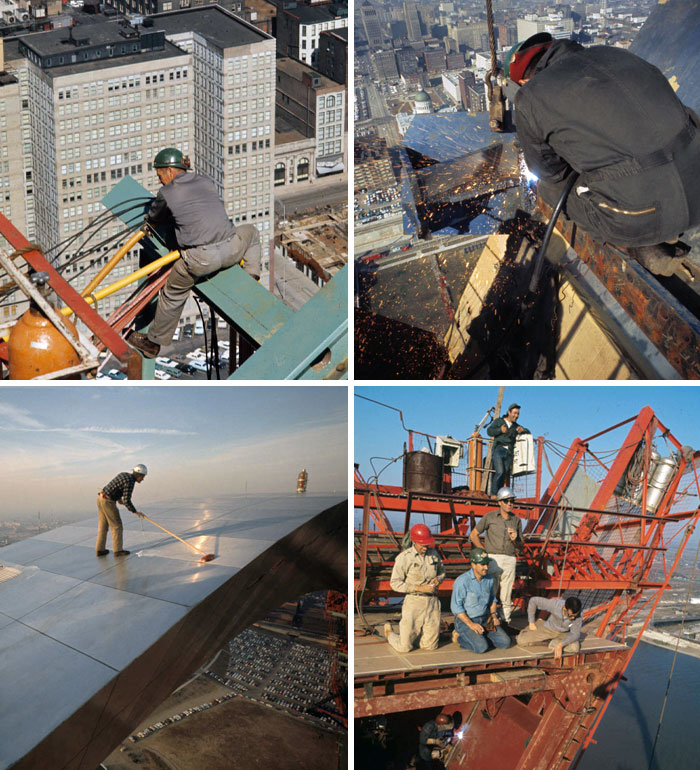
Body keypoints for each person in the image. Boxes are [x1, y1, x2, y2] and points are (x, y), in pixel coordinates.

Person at [506, 33, 700, 270]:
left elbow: (549, 172)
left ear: (524, 81)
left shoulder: (531, 96)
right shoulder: (614, 53)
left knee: (548, 187)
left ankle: (641, 245)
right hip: (696, 184)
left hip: (643, 213)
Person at [128, 148, 262, 358]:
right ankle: (252, 276)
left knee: (173, 293)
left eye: (160, 174)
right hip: (231, 249)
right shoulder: (205, 181)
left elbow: (155, 216)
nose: (160, 180)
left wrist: (151, 222)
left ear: (170, 171)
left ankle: (153, 343)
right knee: (252, 233)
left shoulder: (167, 193)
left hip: (201, 260)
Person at [384, 523, 445, 653]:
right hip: (414, 602)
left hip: (432, 603)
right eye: (422, 544)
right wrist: (418, 588)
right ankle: (390, 634)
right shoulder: (404, 558)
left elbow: (442, 572)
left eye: (427, 544)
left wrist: (438, 579)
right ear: (414, 541)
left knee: (430, 647)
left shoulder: (434, 554)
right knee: (404, 648)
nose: (425, 547)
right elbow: (395, 583)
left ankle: (418, 637)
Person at [469, 486, 524, 625]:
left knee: (507, 593)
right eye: (506, 501)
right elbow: (473, 535)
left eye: (512, 501)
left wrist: (516, 539)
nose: (510, 503)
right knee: (489, 590)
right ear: (499, 502)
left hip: (510, 558)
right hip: (493, 558)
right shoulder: (490, 517)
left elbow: (521, 546)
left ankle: (506, 621)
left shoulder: (516, 520)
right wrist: (484, 553)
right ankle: (488, 619)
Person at [450, 547, 511, 653]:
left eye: (487, 564)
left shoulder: (489, 580)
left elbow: (493, 600)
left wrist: (493, 617)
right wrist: (471, 624)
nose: (486, 567)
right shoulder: (462, 581)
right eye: (482, 564)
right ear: (473, 565)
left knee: (505, 643)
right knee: (481, 648)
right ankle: (460, 637)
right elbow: (456, 607)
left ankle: (480, 638)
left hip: (485, 619)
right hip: (466, 621)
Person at [96, 464, 147, 556]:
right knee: (117, 526)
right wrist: (135, 512)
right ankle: (118, 551)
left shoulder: (124, 474)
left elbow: (115, 487)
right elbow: (127, 500)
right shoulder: (130, 482)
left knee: (103, 526)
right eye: (142, 477)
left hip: (100, 498)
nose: (142, 479)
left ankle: (100, 550)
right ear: (138, 475)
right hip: (108, 502)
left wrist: (119, 499)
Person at [516, 595, 583, 661]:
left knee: (575, 648)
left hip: (564, 633)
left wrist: (561, 645)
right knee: (521, 641)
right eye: (571, 615)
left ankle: (550, 642)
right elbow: (533, 601)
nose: (573, 618)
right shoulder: (555, 604)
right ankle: (548, 640)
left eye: (575, 616)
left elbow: (575, 634)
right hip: (549, 629)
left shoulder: (579, 614)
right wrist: (531, 622)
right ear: (564, 609)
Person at [486, 403, 530, 495]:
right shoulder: (499, 421)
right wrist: (500, 430)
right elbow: (489, 431)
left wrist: (523, 430)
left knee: (504, 473)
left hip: (509, 452)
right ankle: (493, 494)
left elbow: (528, 431)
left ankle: (499, 494)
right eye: (514, 413)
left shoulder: (516, 426)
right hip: (499, 449)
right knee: (500, 472)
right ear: (509, 412)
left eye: (518, 414)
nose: (516, 416)